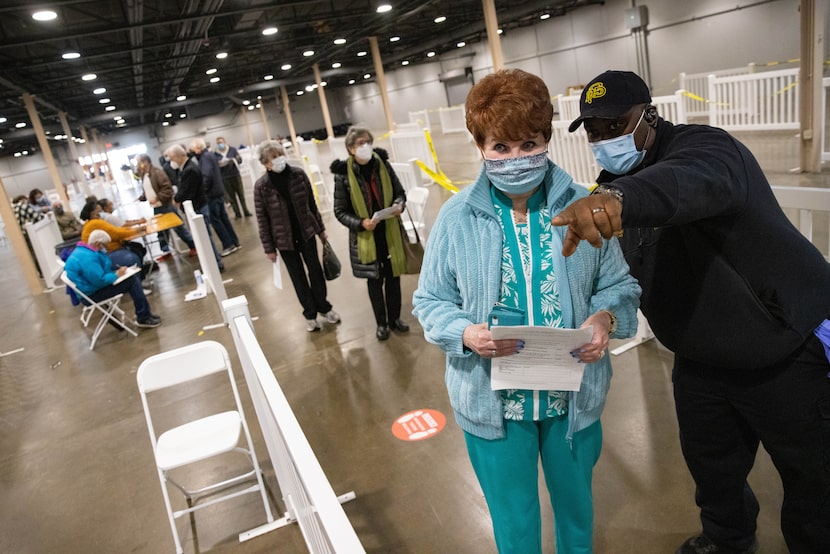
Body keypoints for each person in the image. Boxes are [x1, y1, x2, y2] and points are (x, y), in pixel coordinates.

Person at [554, 70, 830, 554]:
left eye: (615, 125)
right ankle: (727, 539)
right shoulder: (611, 183)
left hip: (782, 346)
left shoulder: (706, 149)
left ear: (649, 119)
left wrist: (620, 199)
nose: (603, 139)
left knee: (814, 475)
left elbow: (686, 183)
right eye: (593, 130)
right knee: (712, 467)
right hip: (701, 357)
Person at [411, 69, 641, 554]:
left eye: (529, 143)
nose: (516, 158)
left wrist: (604, 319)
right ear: (481, 147)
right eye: (500, 147)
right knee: (514, 523)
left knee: (576, 513)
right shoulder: (456, 218)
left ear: (548, 139)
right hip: (494, 403)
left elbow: (619, 284)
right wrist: (466, 333)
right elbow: (429, 301)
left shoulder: (584, 205)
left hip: (571, 401)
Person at [331, 126, 412, 341]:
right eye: (360, 143)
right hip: (366, 238)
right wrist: (360, 223)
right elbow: (339, 211)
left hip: (389, 232)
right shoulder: (342, 175)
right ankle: (382, 324)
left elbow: (399, 192)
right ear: (350, 149)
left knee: (393, 279)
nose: (365, 146)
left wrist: (398, 205)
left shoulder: (382, 164)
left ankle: (395, 319)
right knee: (375, 283)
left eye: (367, 141)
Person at [253, 140, 340, 332]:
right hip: (284, 241)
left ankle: (324, 307)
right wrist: (268, 248)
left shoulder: (298, 175)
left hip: (306, 233)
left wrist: (321, 230)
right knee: (298, 277)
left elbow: (312, 204)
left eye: (280, 154)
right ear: (265, 163)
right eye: (273, 157)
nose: (279, 159)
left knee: (316, 272)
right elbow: (262, 219)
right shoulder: (261, 187)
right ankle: (309, 314)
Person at [64, 229, 161, 328]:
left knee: (130, 279)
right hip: (91, 295)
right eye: (104, 245)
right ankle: (143, 317)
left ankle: (144, 313)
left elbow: (98, 274)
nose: (105, 248)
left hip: (88, 291)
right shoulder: (88, 258)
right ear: (98, 243)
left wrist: (116, 273)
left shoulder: (83, 251)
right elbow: (100, 280)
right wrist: (116, 275)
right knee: (132, 281)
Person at [166, 144, 225, 272]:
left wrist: (176, 198)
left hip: (198, 207)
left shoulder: (190, 169)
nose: (171, 162)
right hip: (197, 207)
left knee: (205, 238)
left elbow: (187, 191)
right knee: (203, 239)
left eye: (171, 158)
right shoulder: (186, 168)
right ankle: (213, 263)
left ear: (178, 156)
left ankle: (216, 264)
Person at [135, 153, 196, 258]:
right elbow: (149, 189)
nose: (137, 165)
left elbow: (167, 189)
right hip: (156, 207)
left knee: (178, 228)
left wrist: (158, 198)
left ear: (145, 162)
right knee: (161, 231)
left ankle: (193, 246)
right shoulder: (144, 174)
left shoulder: (157, 173)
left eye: (139, 162)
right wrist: (143, 197)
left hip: (165, 205)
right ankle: (165, 251)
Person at [189, 138, 240, 257]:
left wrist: (204, 191)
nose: (191, 152)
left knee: (216, 220)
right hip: (218, 191)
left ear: (198, 148)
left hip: (212, 194)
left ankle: (228, 244)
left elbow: (207, 176)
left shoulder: (205, 157)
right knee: (223, 218)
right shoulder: (210, 155)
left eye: (192, 149)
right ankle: (234, 241)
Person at [80, 199, 148, 278]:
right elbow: (117, 233)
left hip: (102, 253)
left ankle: (139, 279)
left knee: (137, 248)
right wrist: (136, 230)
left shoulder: (90, 223)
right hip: (106, 254)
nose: (102, 213)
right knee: (133, 256)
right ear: (92, 213)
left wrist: (133, 230)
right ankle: (137, 281)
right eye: (99, 211)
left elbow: (116, 230)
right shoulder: (95, 223)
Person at [215, 136, 252, 218]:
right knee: (231, 197)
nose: (220, 144)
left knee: (241, 194)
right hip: (225, 177)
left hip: (235, 175)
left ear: (225, 142)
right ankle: (237, 213)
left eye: (221, 142)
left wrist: (234, 160)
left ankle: (246, 211)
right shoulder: (215, 154)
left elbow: (240, 160)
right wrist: (219, 163)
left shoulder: (232, 150)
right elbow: (215, 166)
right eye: (218, 143)